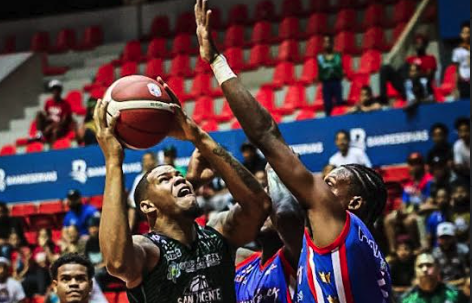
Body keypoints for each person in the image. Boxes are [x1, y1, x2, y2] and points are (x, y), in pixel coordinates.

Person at [194, 2, 392, 301]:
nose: (317, 187)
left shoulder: (343, 231)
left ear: (354, 202)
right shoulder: (362, 253)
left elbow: (266, 139)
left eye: (329, 183)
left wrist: (279, 164)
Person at [96, 66, 270, 303]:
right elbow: (116, 262)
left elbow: (258, 204)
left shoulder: (218, 235)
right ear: (147, 206)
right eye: (164, 179)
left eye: (178, 176)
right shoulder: (148, 251)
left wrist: (197, 135)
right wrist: (113, 162)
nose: (178, 177)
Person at [234, 167, 304, 302]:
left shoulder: (298, 256)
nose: (264, 212)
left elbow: (286, 215)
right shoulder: (241, 260)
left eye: (271, 206)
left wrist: (273, 169)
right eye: (261, 208)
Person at [379, 34, 437, 103]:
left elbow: (429, 76)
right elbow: (401, 73)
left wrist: (416, 73)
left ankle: (409, 93)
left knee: (407, 68)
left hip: (419, 86)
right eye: (416, 43)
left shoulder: (430, 59)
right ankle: (383, 98)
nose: (418, 45)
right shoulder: (410, 59)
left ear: (425, 45)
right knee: (385, 68)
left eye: (420, 43)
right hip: (405, 83)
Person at [401, 253, 467, 303]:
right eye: (420, 266)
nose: (425, 269)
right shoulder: (406, 299)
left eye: (429, 265)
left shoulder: (454, 294)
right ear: (415, 271)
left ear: (438, 269)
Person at [317, 34, 344, 116]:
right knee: (327, 106)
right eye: (325, 42)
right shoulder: (320, 57)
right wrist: (331, 68)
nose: (326, 44)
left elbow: (338, 69)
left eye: (328, 42)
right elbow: (321, 73)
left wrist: (328, 68)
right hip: (326, 84)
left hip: (336, 82)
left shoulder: (337, 56)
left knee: (339, 105)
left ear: (332, 44)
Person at [452, 22, 470, 99]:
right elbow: (456, 69)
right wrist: (455, 87)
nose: (466, 35)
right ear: (460, 34)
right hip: (464, 83)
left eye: (468, 32)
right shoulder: (457, 51)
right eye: (463, 32)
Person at [452, 117, 470, 182]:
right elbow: (459, 166)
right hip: (465, 177)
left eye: (466, 130)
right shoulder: (457, 145)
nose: (463, 134)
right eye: (461, 131)